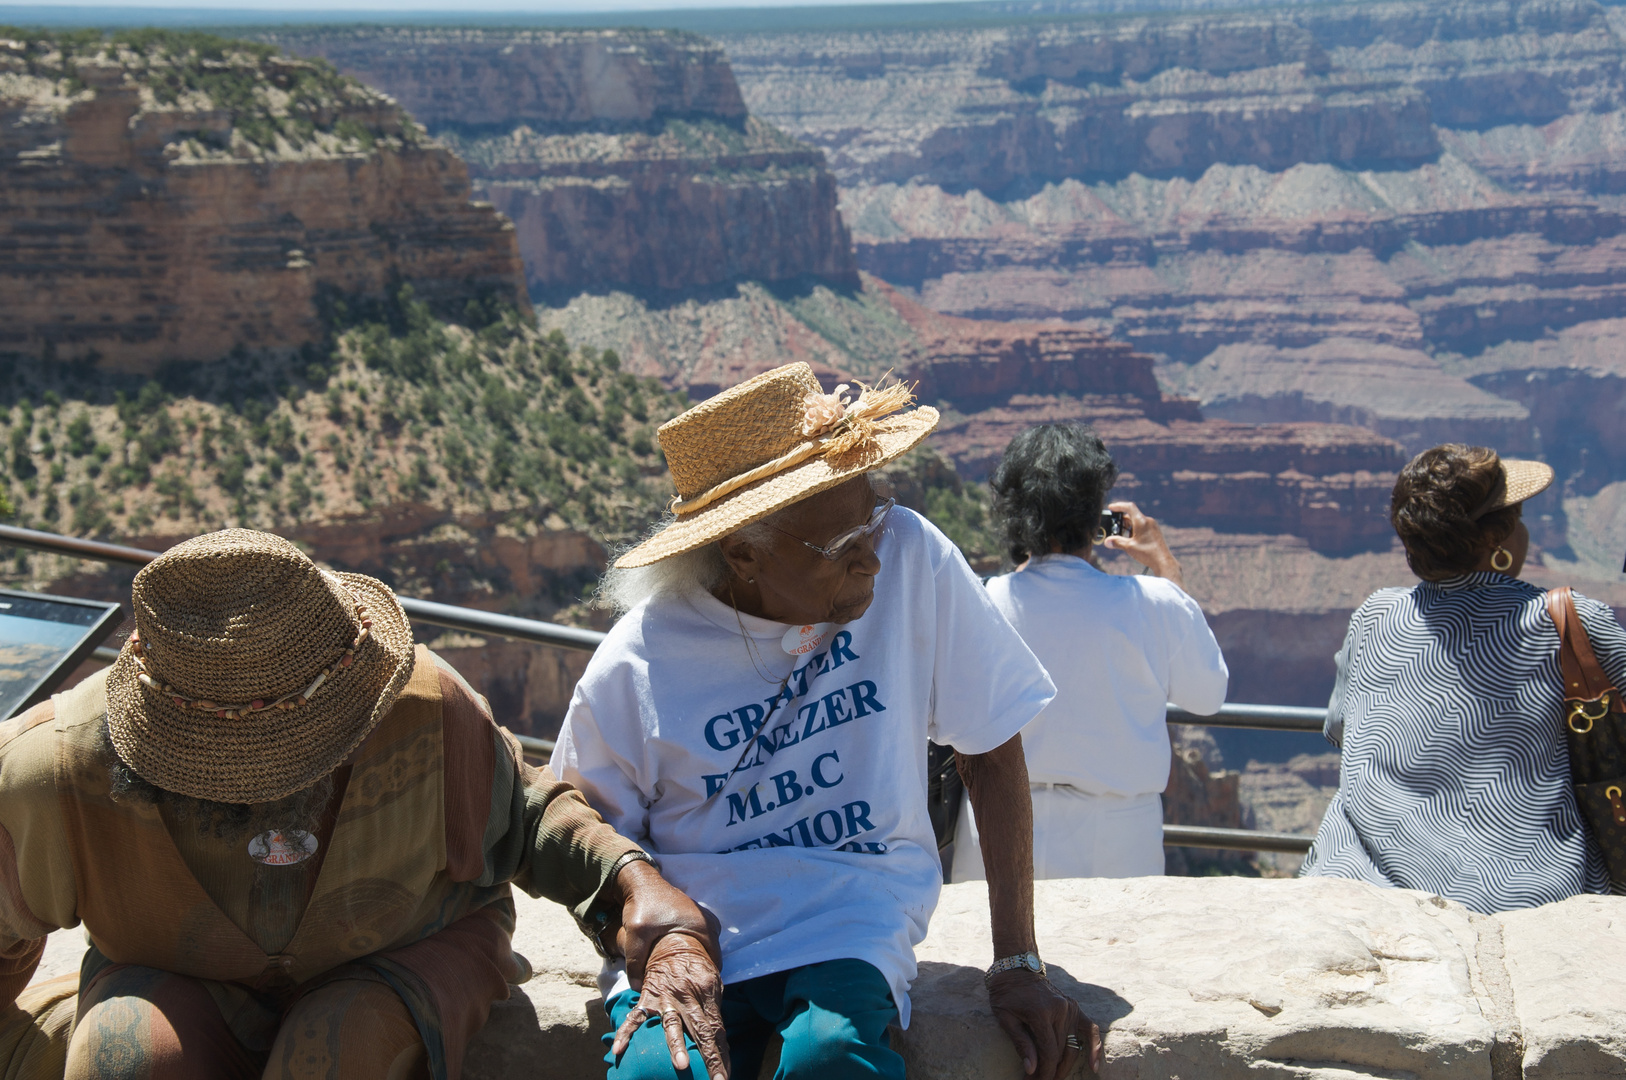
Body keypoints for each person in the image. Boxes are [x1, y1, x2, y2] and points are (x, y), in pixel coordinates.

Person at [0, 529, 727, 1080]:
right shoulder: (58, 766)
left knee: (336, 1049)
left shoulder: (422, 707)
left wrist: (642, 896)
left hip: (405, 945)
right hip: (178, 973)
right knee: (122, 1058)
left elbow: (531, 815)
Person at [551, 363, 1101, 1080]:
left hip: (850, 911)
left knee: (833, 1056)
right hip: (693, 932)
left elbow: (992, 750)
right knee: (660, 1073)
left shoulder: (910, 557)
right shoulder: (638, 663)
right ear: (744, 554)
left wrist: (1018, 960)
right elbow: (577, 831)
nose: (872, 557)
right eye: (842, 548)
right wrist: (654, 928)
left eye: (873, 515)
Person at [1300, 445, 1625, 912]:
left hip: (1360, 888)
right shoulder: (1565, 621)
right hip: (1522, 896)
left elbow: (1341, 730)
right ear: (1500, 535)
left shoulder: (1374, 616)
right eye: (1517, 515)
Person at [950, 422, 1228, 883]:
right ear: (1095, 514)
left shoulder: (980, 604)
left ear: (1014, 511)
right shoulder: (1155, 603)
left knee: (998, 954)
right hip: (1118, 837)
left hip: (996, 825)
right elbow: (1208, 695)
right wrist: (1167, 568)